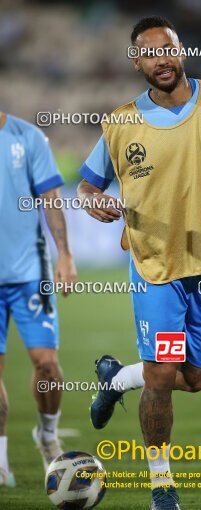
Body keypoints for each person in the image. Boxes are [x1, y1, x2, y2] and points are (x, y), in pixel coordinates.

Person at [77, 15, 201, 510]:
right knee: (162, 376)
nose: (160, 59)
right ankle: (162, 486)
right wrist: (91, 201)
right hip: (155, 269)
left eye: (168, 49)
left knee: (195, 378)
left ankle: (118, 378)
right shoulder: (121, 122)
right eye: (149, 52)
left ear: (181, 51)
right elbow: (87, 184)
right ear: (136, 61)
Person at [0, 112, 77, 487]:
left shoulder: (28, 137)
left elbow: (51, 198)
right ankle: (0, 460)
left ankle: (47, 434)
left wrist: (64, 253)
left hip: (31, 272)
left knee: (46, 365)